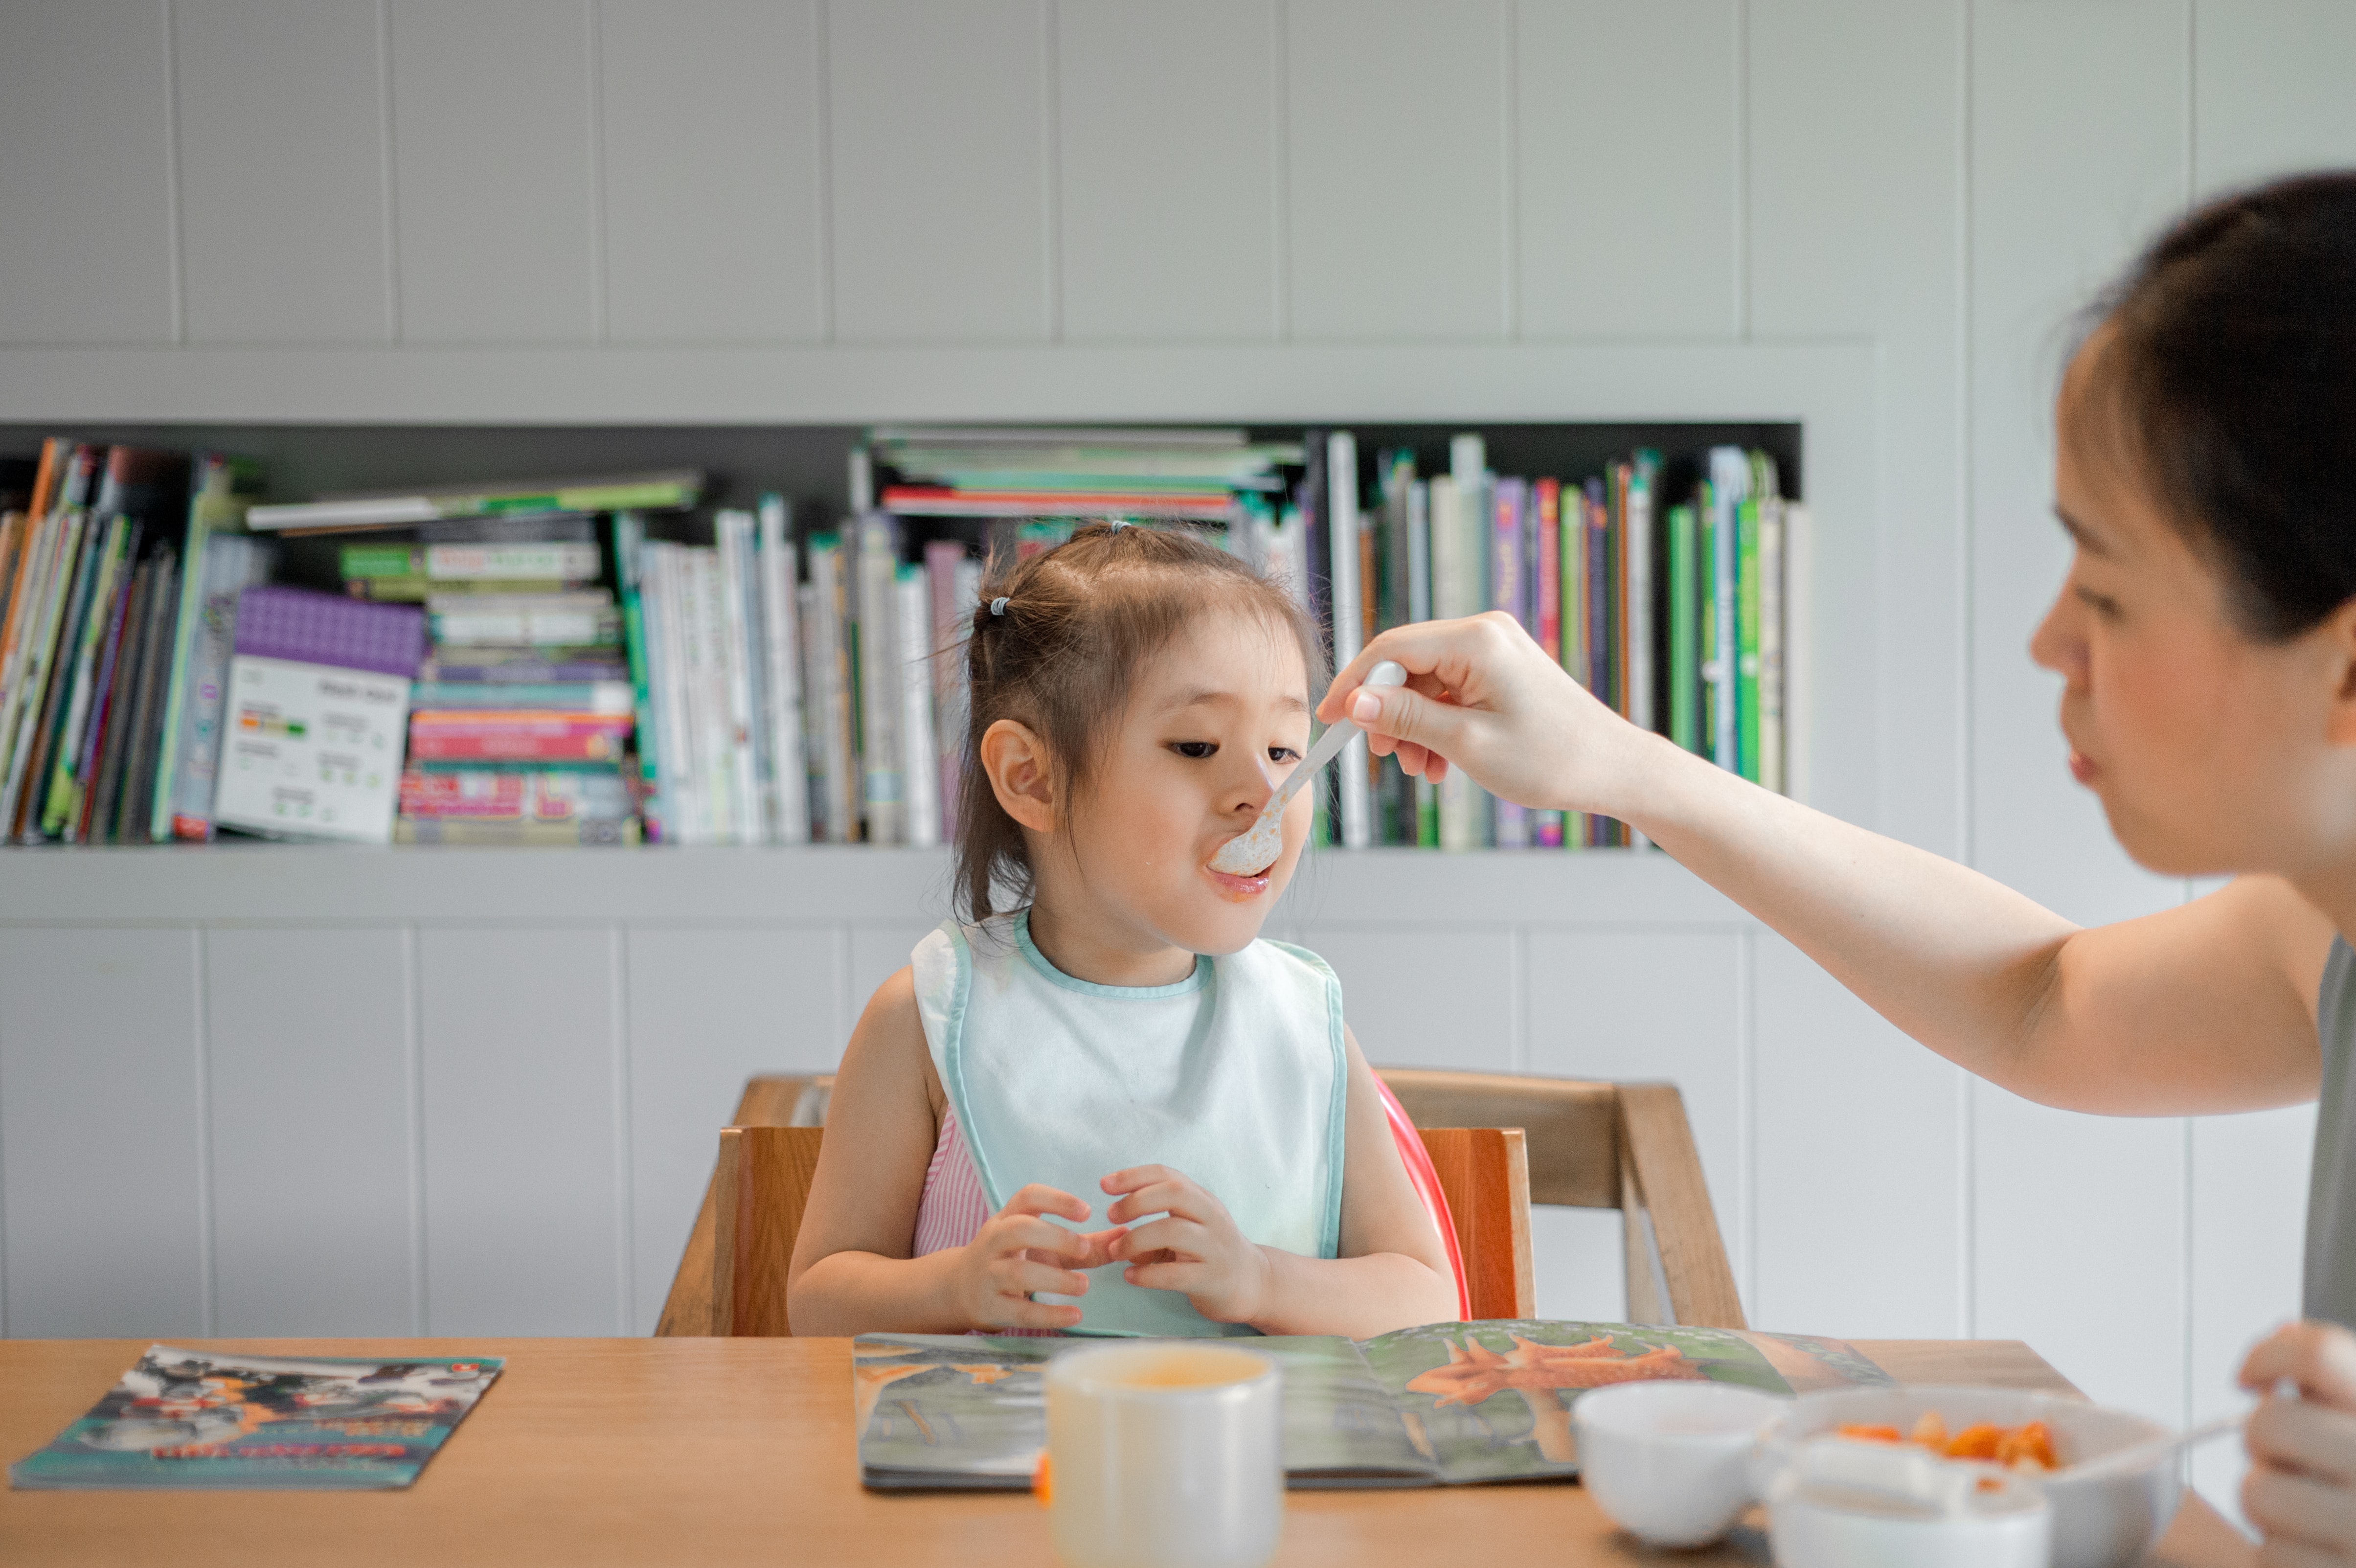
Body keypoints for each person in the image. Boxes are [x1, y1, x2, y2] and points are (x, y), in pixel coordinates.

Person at [1324, 170, 2356, 1561]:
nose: (2052, 640)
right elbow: (2045, 998)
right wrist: (1615, 763)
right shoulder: (2323, 931)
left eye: (2105, 589)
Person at [789, 523, 1455, 1340]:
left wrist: (1259, 1280)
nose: (1264, 792)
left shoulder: (1303, 1020)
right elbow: (818, 1301)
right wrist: (953, 1288)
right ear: (1031, 778)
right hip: (1004, 1465)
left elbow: (1425, 1299)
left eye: (1286, 749)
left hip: (1261, 1462)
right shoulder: (926, 1018)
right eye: (1197, 744)